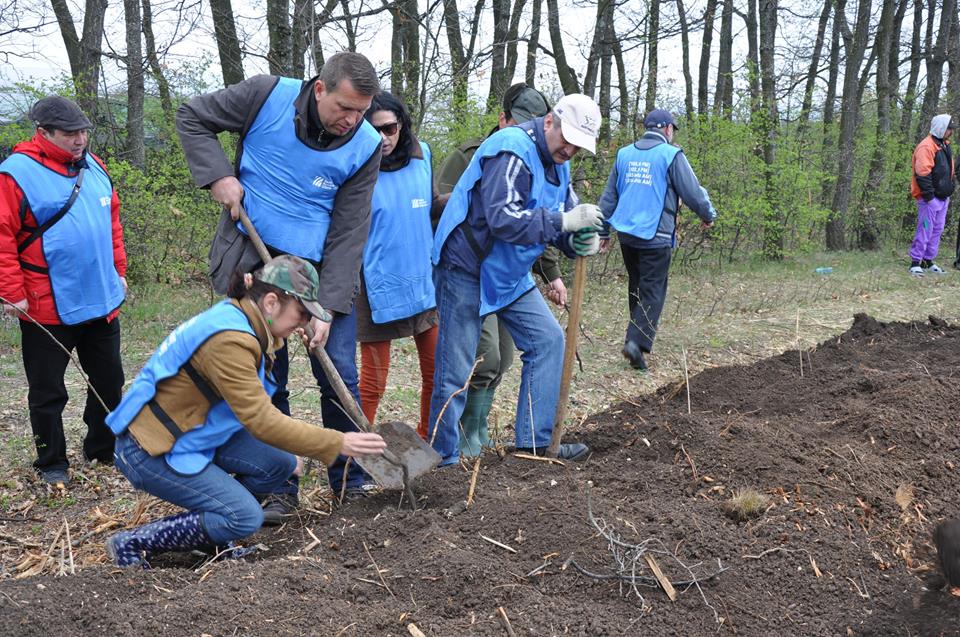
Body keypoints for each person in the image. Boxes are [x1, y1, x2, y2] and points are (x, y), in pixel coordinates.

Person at [176, 52, 382, 501]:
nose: (352, 120)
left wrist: (326, 307)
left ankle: (351, 480)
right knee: (267, 375)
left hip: (321, 269)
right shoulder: (266, 95)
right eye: (344, 108)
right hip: (255, 256)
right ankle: (278, 485)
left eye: (361, 111)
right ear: (320, 88)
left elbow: (350, 230)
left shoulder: (366, 145)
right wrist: (219, 176)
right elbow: (192, 116)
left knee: (339, 371)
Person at [104, 256, 387, 567]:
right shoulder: (231, 340)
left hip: (191, 430)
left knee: (278, 464)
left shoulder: (245, 321)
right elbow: (261, 420)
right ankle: (133, 542)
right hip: (147, 448)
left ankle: (212, 536)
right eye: (301, 313)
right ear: (271, 302)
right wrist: (336, 442)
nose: (304, 322)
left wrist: (282, 334)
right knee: (244, 517)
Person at [429, 93, 605, 465]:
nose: (570, 149)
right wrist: (563, 222)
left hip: (509, 271)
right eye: (567, 139)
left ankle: (534, 444)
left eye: (578, 145)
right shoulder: (511, 149)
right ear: (549, 121)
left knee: (548, 341)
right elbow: (503, 218)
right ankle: (443, 462)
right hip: (466, 266)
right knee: (456, 372)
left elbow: (560, 220)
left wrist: (578, 240)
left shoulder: (560, 165)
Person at [0, 96, 128, 487]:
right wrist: (12, 292)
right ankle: (51, 461)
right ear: (43, 132)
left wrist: (119, 271)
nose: (79, 139)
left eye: (83, 131)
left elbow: (111, 224)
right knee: (48, 392)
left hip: (101, 299)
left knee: (109, 381)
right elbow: (2, 237)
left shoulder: (95, 166)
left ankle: (103, 448)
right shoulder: (15, 174)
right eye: (70, 133)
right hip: (46, 304)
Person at [599, 108, 716, 372]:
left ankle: (634, 342)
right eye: (673, 129)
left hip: (627, 235)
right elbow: (693, 192)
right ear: (667, 129)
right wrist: (707, 214)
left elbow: (609, 197)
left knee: (637, 287)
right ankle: (635, 343)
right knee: (652, 291)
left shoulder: (624, 154)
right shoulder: (670, 154)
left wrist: (603, 230)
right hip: (656, 235)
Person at [356, 91, 445, 437]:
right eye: (373, 130)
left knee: (435, 373)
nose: (383, 137)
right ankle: (355, 455)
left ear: (402, 126)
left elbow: (432, 206)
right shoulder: (355, 165)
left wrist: (469, 195)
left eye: (390, 128)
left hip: (422, 281)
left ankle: (428, 438)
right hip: (377, 285)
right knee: (373, 383)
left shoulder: (423, 156)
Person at [909, 114, 954, 276]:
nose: (951, 132)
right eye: (949, 128)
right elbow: (922, 174)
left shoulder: (944, 145)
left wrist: (950, 188)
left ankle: (928, 261)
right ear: (941, 128)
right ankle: (915, 262)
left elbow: (948, 171)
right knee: (925, 229)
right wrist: (929, 198)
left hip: (943, 198)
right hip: (929, 199)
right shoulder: (926, 146)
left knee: (937, 230)